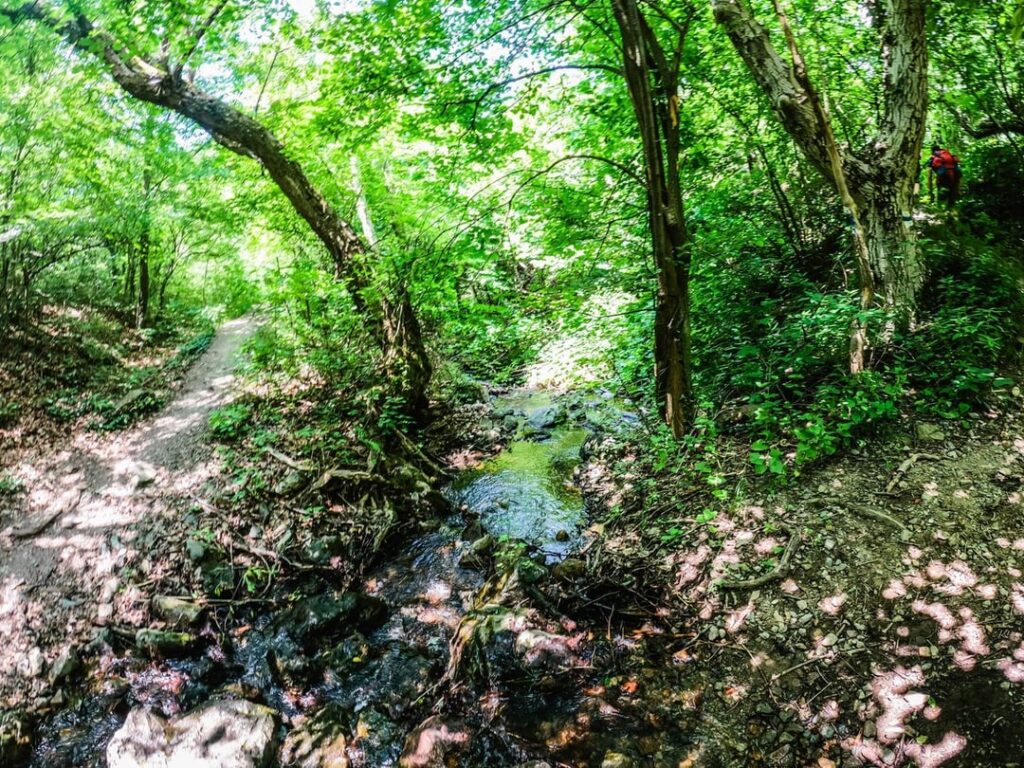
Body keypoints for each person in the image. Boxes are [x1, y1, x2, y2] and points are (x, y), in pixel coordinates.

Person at [926, 144, 962, 208]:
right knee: (953, 188)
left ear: (933, 150)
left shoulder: (935, 154)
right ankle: (951, 207)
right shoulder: (946, 152)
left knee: (940, 185)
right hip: (955, 172)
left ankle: (939, 204)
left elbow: (929, 164)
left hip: (944, 173)